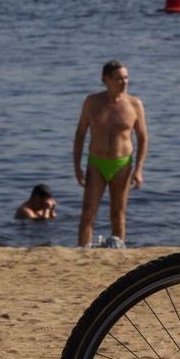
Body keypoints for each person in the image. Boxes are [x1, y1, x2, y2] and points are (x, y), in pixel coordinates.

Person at [74, 60, 148, 248]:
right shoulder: (92, 102)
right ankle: (83, 251)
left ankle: (118, 251)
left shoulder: (134, 104)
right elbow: (80, 134)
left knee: (118, 213)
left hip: (122, 164)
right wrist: (77, 167)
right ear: (105, 80)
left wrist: (139, 170)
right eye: (118, 78)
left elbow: (142, 138)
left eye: (126, 78)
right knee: (88, 212)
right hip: (96, 163)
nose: (124, 82)